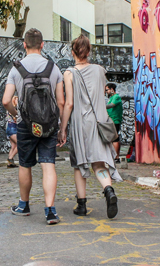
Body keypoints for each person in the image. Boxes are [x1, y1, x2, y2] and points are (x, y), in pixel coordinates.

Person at [2, 28, 65, 225]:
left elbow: (6, 101)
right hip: (48, 125)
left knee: (25, 164)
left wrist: (17, 115)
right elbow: (61, 102)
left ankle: (24, 205)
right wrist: (61, 127)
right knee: (48, 165)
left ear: (24, 45)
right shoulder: (53, 68)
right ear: (42, 45)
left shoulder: (16, 69)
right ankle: (50, 211)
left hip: (25, 125)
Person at [60, 35, 122, 219]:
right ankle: (108, 190)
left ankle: (81, 205)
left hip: (81, 123)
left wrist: (63, 128)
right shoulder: (100, 70)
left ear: (73, 52)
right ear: (89, 52)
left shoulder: (69, 73)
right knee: (99, 162)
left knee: (80, 163)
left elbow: (69, 103)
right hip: (99, 121)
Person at [105, 83, 123, 162]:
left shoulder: (116, 97)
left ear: (112, 89)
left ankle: (116, 157)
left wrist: (101, 106)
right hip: (111, 120)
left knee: (115, 138)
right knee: (112, 138)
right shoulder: (111, 97)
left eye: (107, 90)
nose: (106, 92)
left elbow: (112, 105)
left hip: (115, 120)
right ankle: (113, 156)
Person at [6, 96, 19, 168]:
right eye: (16, 100)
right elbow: (16, 119)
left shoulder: (9, 109)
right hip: (12, 128)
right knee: (20, 144)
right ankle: (10, 158)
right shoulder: (13, 109)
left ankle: (10, 164)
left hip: (10, 127)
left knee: (13, 146)